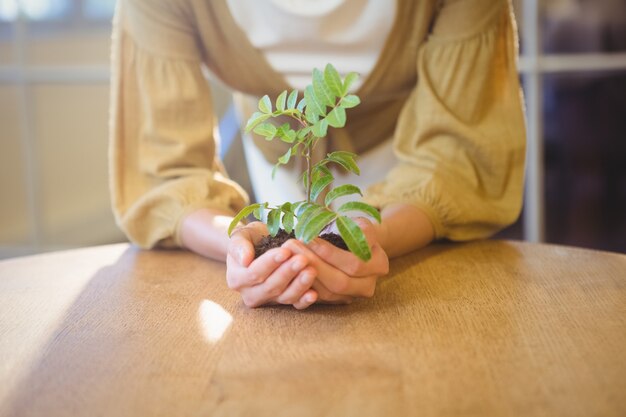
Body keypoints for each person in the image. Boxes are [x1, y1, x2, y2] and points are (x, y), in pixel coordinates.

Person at [109, 0, 526, 309]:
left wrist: (372, 239)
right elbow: (165, 173)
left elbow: (457, 158)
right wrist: (242, 247)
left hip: (411, 175)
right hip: (275, 166)